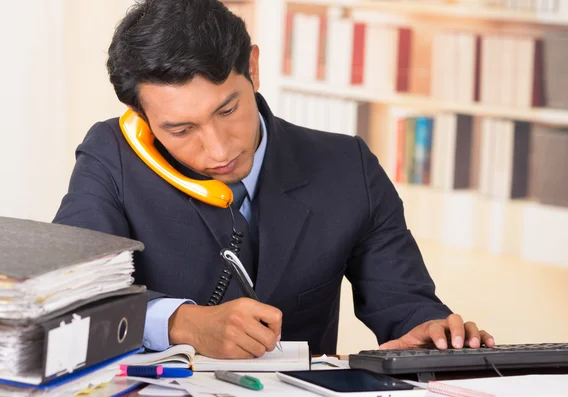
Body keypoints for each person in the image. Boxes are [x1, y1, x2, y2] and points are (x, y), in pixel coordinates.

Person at [53, 0, 495, 359]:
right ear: (143, 118)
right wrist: (179, 323)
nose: (219, 150)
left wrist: (433, 337)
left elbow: (407, 306)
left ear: (254, 67)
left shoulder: (348, 165)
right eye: (181, 130)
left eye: (227, 111)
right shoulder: (112, 154)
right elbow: (67, 300)